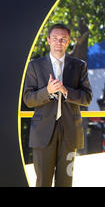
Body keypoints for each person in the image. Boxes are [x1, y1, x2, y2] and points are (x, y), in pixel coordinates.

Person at [23, 23, 92, 187]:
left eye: (63, 39)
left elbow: (87, 98)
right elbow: (28, 99)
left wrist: (66, 91)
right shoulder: (35, 66)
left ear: (68, 42)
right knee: (43, 182)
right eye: (55, 38)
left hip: (70, 133)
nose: (58, 42)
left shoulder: (79, 66)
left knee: (66, 182)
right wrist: (47, 91)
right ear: (48, 40)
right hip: (42, 133)